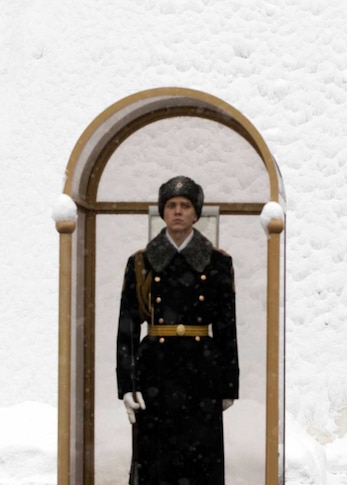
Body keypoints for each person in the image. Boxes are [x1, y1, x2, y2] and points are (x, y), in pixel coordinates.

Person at [116, 175, 239, 485]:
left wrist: (228, 383)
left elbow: (226, 327)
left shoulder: (217, 263)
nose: (178, 211)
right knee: (156, 458)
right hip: (156, 368)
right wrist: (127, 384)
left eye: (185, 205)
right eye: (171, 205)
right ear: (162, 212)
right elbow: (128, 327)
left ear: (196, 213)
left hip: (202, 371)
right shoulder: (141, 263)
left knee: (202, 459)